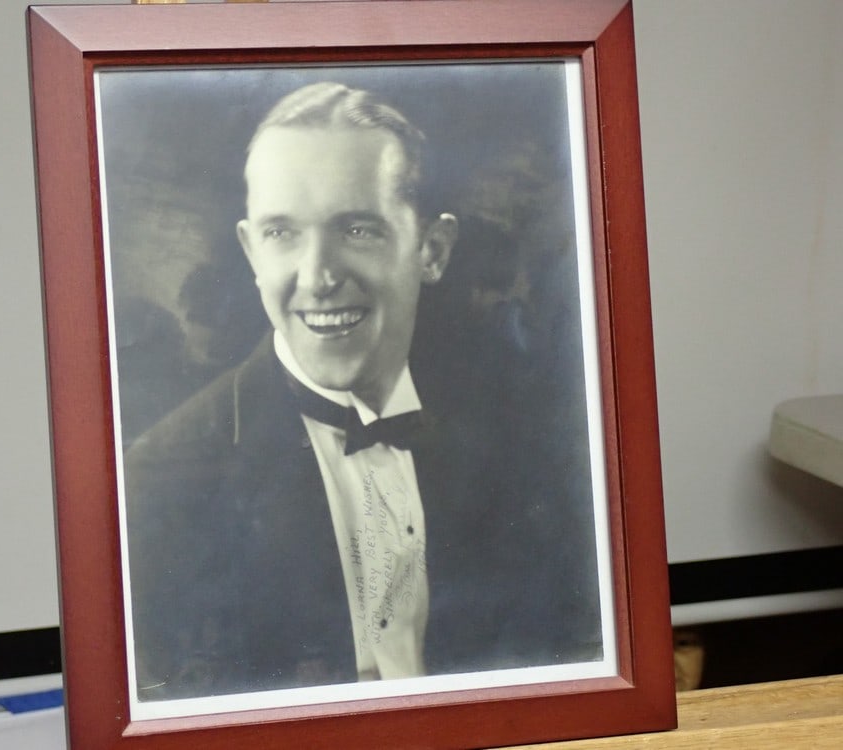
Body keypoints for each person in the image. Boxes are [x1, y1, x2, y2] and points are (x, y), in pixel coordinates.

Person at [123, 82, 603, 702]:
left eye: (357, 230)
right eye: (282, 234)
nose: (318, 277)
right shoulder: (162, 477)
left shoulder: (525, 443)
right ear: (250, 252)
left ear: (432, 249)